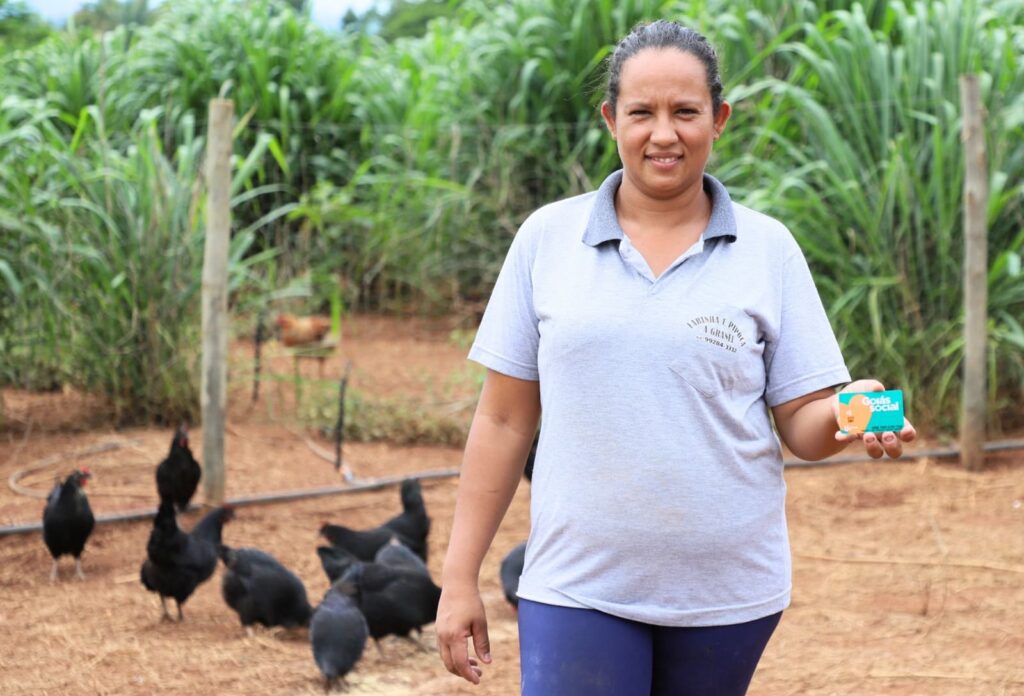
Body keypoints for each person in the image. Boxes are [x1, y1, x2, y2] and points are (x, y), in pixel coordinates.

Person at [435, 19, 916, 696]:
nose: (664, 133)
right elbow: (504, 423)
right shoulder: (547, 240)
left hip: (727, 594)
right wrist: (459, 578)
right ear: (610, 120)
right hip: (577, 583)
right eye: (642, 113)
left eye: (685, 112)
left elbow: (800, 427)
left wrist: (847, 411)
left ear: (718, 119)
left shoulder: (767, 250)